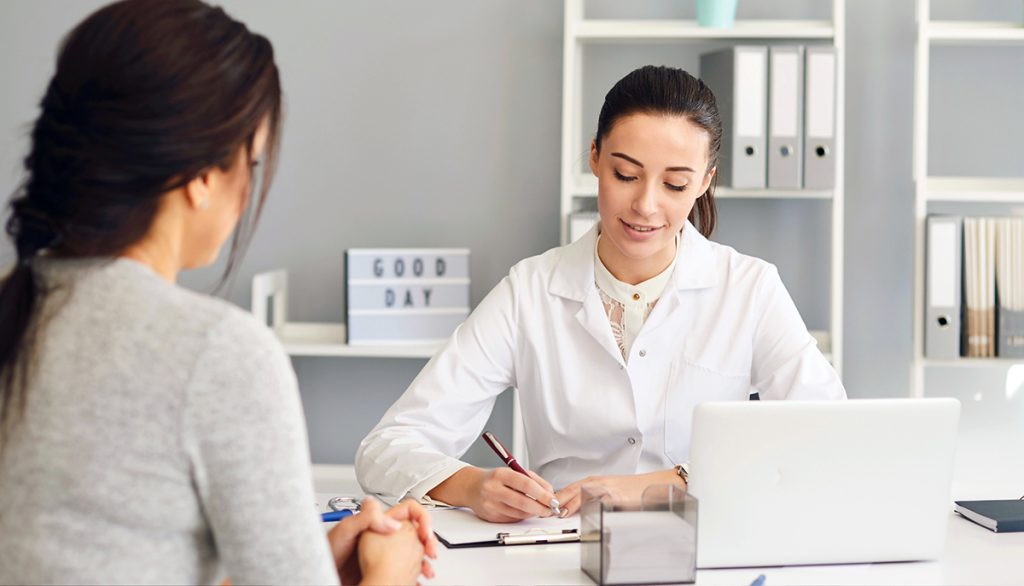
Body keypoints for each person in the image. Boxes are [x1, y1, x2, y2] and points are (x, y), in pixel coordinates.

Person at [0, 1, 435, 584]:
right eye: (250, 164)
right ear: (204, 176)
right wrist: (389, 575)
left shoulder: (16, 305)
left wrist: (302, 561)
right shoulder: (215, 353)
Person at [356, 65, 846, 522]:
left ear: (704, 182)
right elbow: (387, 447)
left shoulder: (749, 289)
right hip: (562, 550)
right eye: (625, 175)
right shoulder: (530, 292)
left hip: (704, 545)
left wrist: (666, 483)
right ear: (594, 156)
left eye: (675, 184)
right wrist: (471, 486)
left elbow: (828, 433)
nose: (646, 206)